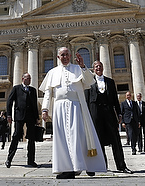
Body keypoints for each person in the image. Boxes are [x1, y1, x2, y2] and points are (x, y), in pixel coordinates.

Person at [39, 47, 106, 179]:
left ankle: (78, 166)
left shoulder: (77, 69)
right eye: (62, 55)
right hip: (59, 108)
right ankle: (66, 168)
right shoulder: (52, 72)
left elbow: (89, 81)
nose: (65, 57)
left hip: (76, 106)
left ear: (70, 56)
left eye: (67, 55)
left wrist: (83, 66)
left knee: (77, 137)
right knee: (62, 139)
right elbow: (48, 92)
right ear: (58, 57)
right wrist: (45, 109)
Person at [85, 60, 132, 174]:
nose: (98, 68)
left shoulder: (110, 82)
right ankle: (101, 166)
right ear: (93, 69)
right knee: (97, 141)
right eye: (96, 67)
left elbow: (115, 100)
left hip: (109, 113)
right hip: (95, 114)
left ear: (103, 68)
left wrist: (119, 114)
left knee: (116, 140)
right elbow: (86, 101)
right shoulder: (89, 82)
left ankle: (121, 166)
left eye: (100, 66)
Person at [5, 73, 39, 168]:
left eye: (30, 78)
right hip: (19, 116)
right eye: (28, 78)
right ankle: (9, 159)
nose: (29, 80)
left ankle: (31, 160)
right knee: (16, 136)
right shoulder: (16, 88)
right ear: (23, 78)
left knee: (31, 139)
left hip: (31, 117)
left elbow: (34, 105)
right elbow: (9, 102)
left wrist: (37, 118)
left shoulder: (33, 90)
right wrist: (8, 115)